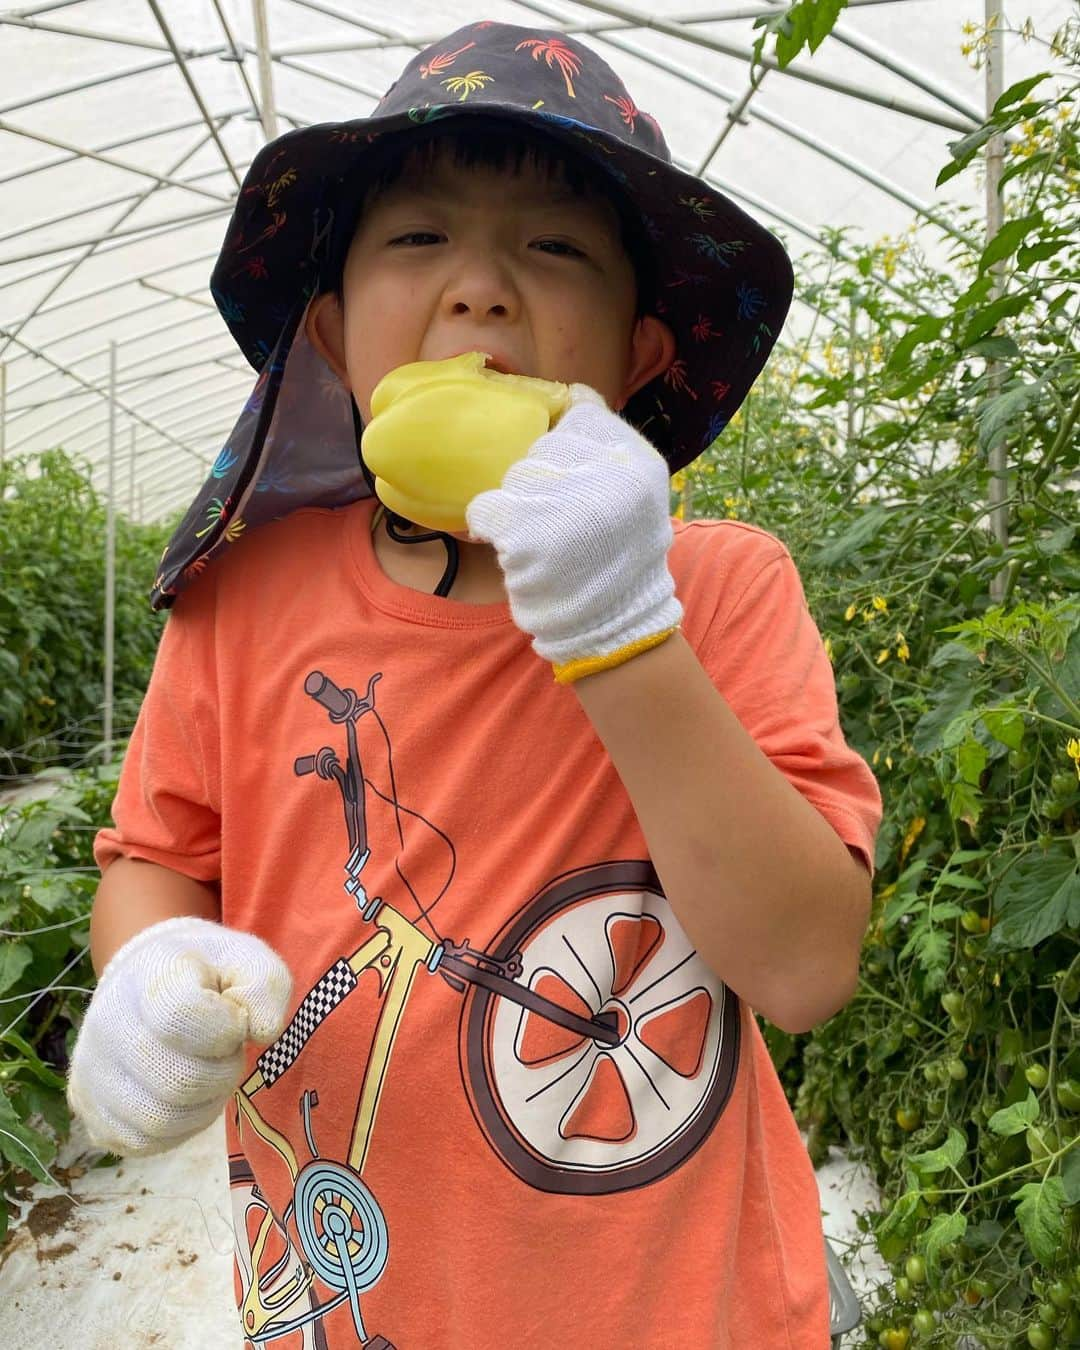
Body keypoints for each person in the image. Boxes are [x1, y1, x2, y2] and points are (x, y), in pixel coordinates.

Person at [67, 20, 882, 1349]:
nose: (483, 288)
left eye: (555, 248)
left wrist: (624, 628)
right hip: (348, 1308)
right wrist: (148, 963)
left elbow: (801, 965)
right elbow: (157, 859)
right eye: (417, 238)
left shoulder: (721, 590)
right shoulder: (240, 600)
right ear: (330, 334)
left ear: (638, 360)